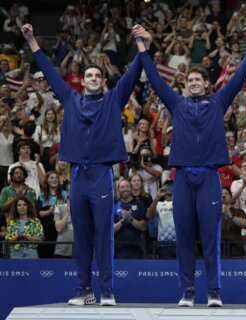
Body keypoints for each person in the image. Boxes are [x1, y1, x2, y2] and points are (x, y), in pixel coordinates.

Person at [132, 23, 246, 307]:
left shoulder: (217, 102)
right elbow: (154, 79)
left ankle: (214, 292)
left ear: (206, 84)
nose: (193, 84)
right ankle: (187, 292)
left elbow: (239, 77)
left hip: (209, 178)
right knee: (185, 237)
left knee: (210, 236)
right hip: (182, 179)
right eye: (189, 81)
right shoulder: (176, 103)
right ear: (185, 84)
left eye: (197, 81)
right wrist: (143, 49)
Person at [21, 23, 145, 306]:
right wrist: (31, 40)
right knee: (82, 236)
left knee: (104, 236)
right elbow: (51, 73)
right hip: (77, 176)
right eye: (88, 75)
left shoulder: (113, 100)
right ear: (83, 80)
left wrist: (141, 48)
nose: (92, 78)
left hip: (101, 174)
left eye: (96, 75)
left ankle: (107, 291)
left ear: (102, 80)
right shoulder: (71, 99)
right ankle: (83, 290)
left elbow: (131, 75)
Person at [113, 179, 147, 259]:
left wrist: (130, 219)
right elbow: (111, 230)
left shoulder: (140, 204)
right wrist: (123, 220)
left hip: (136, 248)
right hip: (118, 248)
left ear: (131, 188)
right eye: (122, 187)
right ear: (118, 190)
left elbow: (143, 227)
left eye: (127, 186)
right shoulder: (114, 205)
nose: (125, 189)